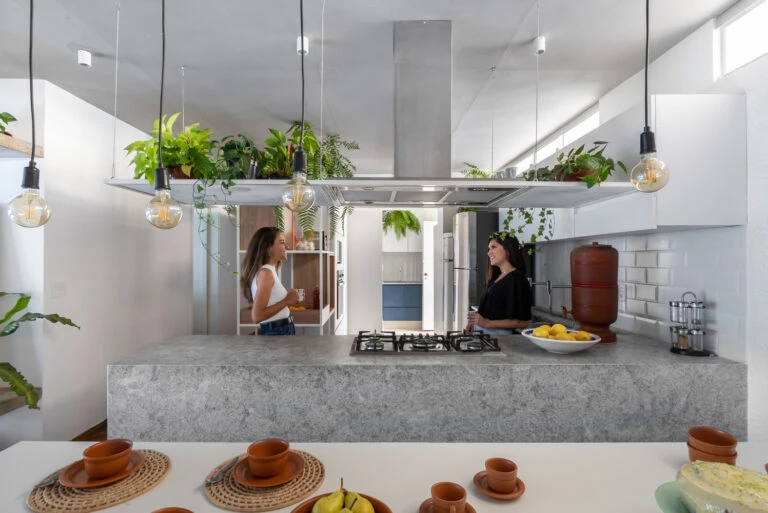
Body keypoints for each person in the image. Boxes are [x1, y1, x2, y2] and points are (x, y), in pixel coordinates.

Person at [465, 232, 532, 335]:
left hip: (499, 338)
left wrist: (486, 323)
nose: (489, 253)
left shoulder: (518, 279)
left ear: (508, 249)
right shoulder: (497, 278)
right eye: (489, 249)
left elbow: (523, 322)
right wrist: (474, 322)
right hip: (485, 336)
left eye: (493, 247)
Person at [240, 227, 300, 335]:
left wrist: (289, 298)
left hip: (280, 330)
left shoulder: (269, 272)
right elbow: (257, 316)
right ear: (268, 248)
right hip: (279, 331)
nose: (287, 246)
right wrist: (288, 300)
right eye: (282, 242)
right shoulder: (266, 274)